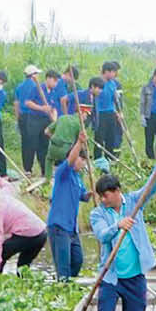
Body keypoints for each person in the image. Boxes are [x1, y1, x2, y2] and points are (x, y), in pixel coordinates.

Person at [88, 149, 156, 311]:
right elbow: (101, 235)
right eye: (101, 197)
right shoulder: (98, 214)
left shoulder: (134, 202)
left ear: (116, 192)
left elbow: (149, 188)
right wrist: (117, 225)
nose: (103, 200)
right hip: (111, 276)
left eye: (106, 195)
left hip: (135, 277)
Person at [0, 171, 48, 276]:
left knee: (2, 252)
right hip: (42, 233)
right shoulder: (0, 195)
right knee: (23, 267)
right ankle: (23, 285)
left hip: (30, 234)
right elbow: (7, 186)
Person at [47, 109, 92, 279]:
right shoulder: (63, 172)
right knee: (63, 266)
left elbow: (83, 197)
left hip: (72, 228)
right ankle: (62, 288)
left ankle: (68, 287)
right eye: (82, 159)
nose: (83, 163)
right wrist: (79, 143)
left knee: (78, 261)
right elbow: (71, 160)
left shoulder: (77, 178)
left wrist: (92, 193)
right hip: (59, 226)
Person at [15, 65, 55, 178]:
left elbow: (16, 104)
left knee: (27, 144)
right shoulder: (36, 86)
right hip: (33, 116)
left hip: (23, 116)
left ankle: (28, 169)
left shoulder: (19, 86)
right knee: (41, 145)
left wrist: (17, 118)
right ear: (33, 75)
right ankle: (42, 169)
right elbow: (27, 102)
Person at [93, 61, 124, 157]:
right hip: (100, 114)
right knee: (99, 138)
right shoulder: (97, 82)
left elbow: (115, 99)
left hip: (111, 113)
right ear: (106, 72)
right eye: (112, 72)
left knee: (111, 137)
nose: (114, 74)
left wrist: (119, 112)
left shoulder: (113, 84)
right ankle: (98, 159)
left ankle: (109, 158)